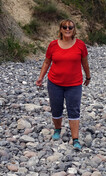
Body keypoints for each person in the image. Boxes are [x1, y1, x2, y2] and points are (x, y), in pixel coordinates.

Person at [36, 19, 91, 150]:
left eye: (70, 27)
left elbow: (85, 63)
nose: (67, 29)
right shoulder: (53, 45)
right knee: (56, 108)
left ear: (74, 29)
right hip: (55, 83)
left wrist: (88, 76)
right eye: (64, 27)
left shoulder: (80, 45)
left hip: (74, 84)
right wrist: (41, 77)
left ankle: (75, 139)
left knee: (74, 110)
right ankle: (57, 129)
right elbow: (46, 62)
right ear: (60, 29)